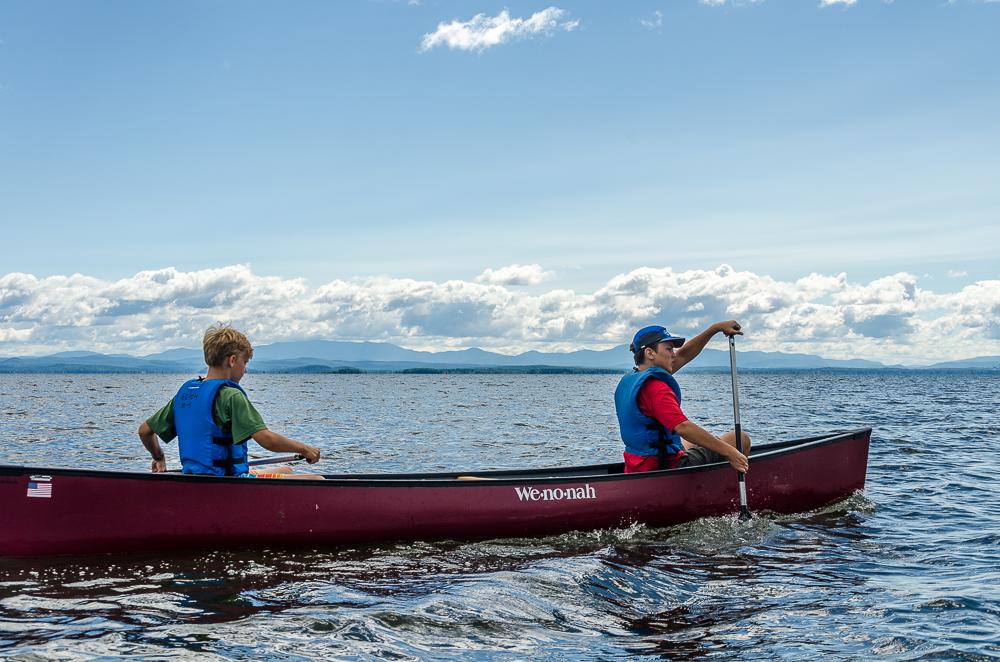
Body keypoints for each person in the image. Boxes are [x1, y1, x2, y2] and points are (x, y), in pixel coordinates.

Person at [138, 323, 323, 479]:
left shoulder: (186, 393)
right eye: (245, 363)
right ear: (233, 360)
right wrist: (305, 449)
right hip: (228, 481)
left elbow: (145, 431)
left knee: (287, 469)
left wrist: (159, 457)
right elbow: (267, 440)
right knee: (318, 479)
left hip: (196, 477)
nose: (245, 370)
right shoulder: (231, 396)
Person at [614, 321, 751, 474]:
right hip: (664, 466)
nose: (673, 354)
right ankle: (724, 489)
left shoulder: (632, 379)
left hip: (637, 464)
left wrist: (715, 329)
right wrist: (730, 452)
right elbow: (683, 427)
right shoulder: (655, 388)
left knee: (689, 443)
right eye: (669, 349)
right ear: (650, 353)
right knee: (740, 438)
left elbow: (683, 355)